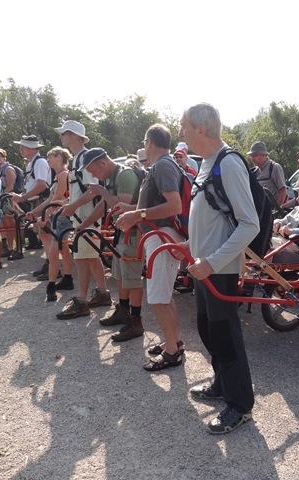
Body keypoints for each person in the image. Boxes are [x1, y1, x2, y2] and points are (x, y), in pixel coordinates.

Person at [177, 103, 258, 434]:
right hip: (204, 267)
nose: (179, 133)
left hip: (218, 268)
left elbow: (249, 223)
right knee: (208, 329)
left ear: (200, 129)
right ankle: (222, 383)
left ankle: (240, 405)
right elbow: (212, 217)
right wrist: (192, 247)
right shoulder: (208, 164)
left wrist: (211, 261)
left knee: (225, 334)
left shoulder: (229, 164)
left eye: (183, 126)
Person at [115, 124, 185, 370]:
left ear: (149, 142)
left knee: (157, 297)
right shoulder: (162, 165)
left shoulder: (163, 165)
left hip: (161, 236)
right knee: (163, 295)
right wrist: (134, 211)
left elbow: (174, 205)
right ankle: (173, 342)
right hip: (160, 235)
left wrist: (137, 215)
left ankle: (172, 352)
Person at [71, 147, 145, 342]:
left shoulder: (125, 175)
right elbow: (104, 205)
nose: (94, 175)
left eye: (93, 171)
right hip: (124, 231)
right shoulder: (112, 177)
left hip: (135, 232)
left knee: (133, 278)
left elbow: (120, 205)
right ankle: (122, 310)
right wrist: (84, 225)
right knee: (120, 274)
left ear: (102, 163)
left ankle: (136, 320)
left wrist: (102, 191)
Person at [54, 121, 111, 319]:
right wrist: (70, 205)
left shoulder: (84, 159)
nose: (61, 137)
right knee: (91, 256)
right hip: (84, 215)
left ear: (74, 136)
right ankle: (102, 293)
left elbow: (93, 189)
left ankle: (82, 300)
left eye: (64, 133)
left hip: (87, 216)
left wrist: (73, 206)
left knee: (82, 258)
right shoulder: (80, 158)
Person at [26, 147, 73, 301]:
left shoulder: (64, 175)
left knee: (53, 252)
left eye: (50, 157)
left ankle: (51, 286)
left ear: (59, 157)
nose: (47, 160)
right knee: (63, 250)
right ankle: (67, 278)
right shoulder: (58, 176)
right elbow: (50, 200)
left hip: (62, 218)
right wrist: (36, 212)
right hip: (58, 217)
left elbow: (57, 199)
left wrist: (44, 217)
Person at [10, 135, 51, 255]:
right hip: (36, 200)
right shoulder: (32, 163)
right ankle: (49, 263)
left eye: (22, 147)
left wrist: (22, 197)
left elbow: (41, 185)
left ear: (30, 148)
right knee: (43, 234)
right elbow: (33, 184)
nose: (20, 150)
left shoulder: (39, 162)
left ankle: (51, 264)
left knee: (46, 233)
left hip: (41, 200)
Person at [0, 148, 18, 258]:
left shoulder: (8, 169)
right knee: (4, 224)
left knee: (10, 225)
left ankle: (13, 248)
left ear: (4, 157)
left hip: (8, 199)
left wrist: (2, 196)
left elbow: (11, 186)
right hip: (1, 200)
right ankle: (7, 247)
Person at [248, 141, 287, 206]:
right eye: (251, 156)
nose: (252, 158)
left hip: (273, 211)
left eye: (254, 155)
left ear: (263, 155)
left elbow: (283, 191)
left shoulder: (274, 167)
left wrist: (277, 209)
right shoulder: (255, 170)